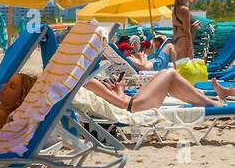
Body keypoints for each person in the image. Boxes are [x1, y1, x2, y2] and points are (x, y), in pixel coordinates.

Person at [83, 67, 232, 111]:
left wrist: (114, 91)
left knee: (165, 75)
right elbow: (120, 103)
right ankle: (210, 103)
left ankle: (207, 101)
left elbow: (114, 102)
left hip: (133, 103)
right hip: (134, 106)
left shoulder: (84, 82)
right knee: (170, 73)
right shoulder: (89, 82)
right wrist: (120, 89)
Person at [170, 0, 206, 85]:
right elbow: (187, 31)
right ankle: (182, 91)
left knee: (181, 69)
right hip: (184, 40)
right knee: (185, 70)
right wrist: (191, 47)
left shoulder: (175, 10)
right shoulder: (184, 9)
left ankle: (177, 89)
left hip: (178, 41)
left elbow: (175, 29)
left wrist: (192, 29)